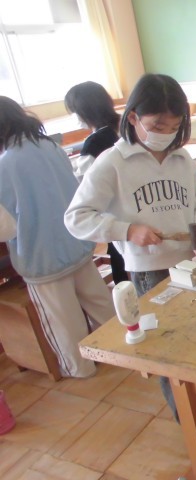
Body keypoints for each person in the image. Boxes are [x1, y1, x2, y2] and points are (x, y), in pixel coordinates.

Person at [64, 73, 196, 420]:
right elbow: (76, 218)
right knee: (168, 346)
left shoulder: (182, 159)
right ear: (133, 117)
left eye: (174, 126)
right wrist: (127, 230)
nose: (165, 134)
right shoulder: (112, 162)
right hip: (151, 273)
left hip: (191, 263)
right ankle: (193, 418)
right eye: (157, 125)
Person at [0, 96, 115, 378]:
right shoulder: (48, 145)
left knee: (63, 320)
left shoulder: (5, 165)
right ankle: (121, 350)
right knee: (101, 303)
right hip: (77, 243)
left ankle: (80, 369)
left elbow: (6, 229)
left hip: (42, 259)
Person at [64, 80, 128, 284]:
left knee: (123, 269)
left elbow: (83, 186)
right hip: (141, 204)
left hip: (116, 216)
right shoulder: (128, 124)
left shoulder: (93, 143)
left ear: (84, 111)